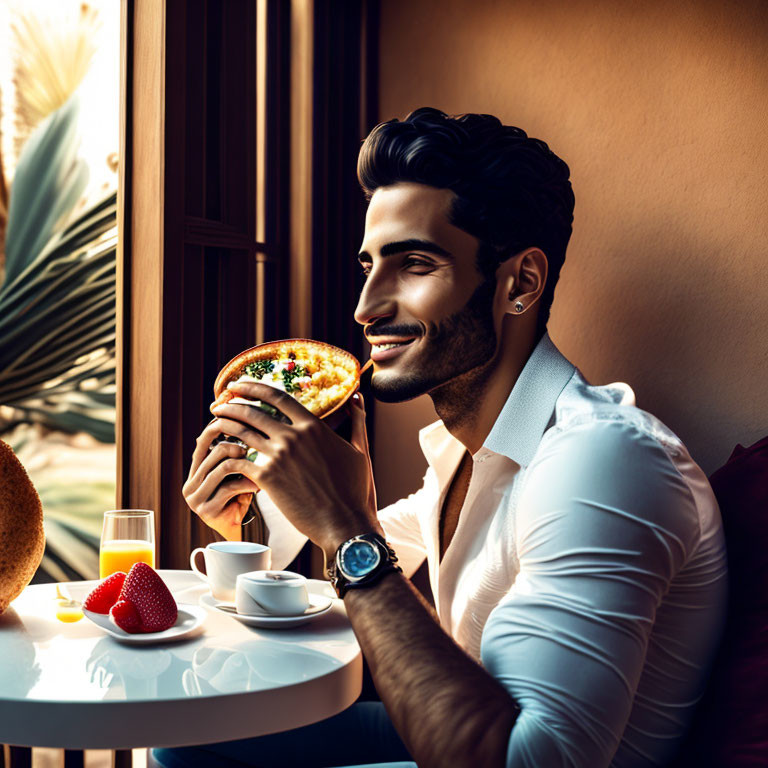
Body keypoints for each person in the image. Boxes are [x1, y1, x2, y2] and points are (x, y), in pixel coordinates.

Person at [155, 108, 728, 768]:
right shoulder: (463, 455)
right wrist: (251, 513)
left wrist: (348, 530)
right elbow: (343, 577)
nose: (365, 306)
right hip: (468, 730)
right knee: (185, 743)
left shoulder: (602, 461)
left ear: (520, 283)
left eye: (414, 264)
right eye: (369, 264)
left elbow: (527, 758)